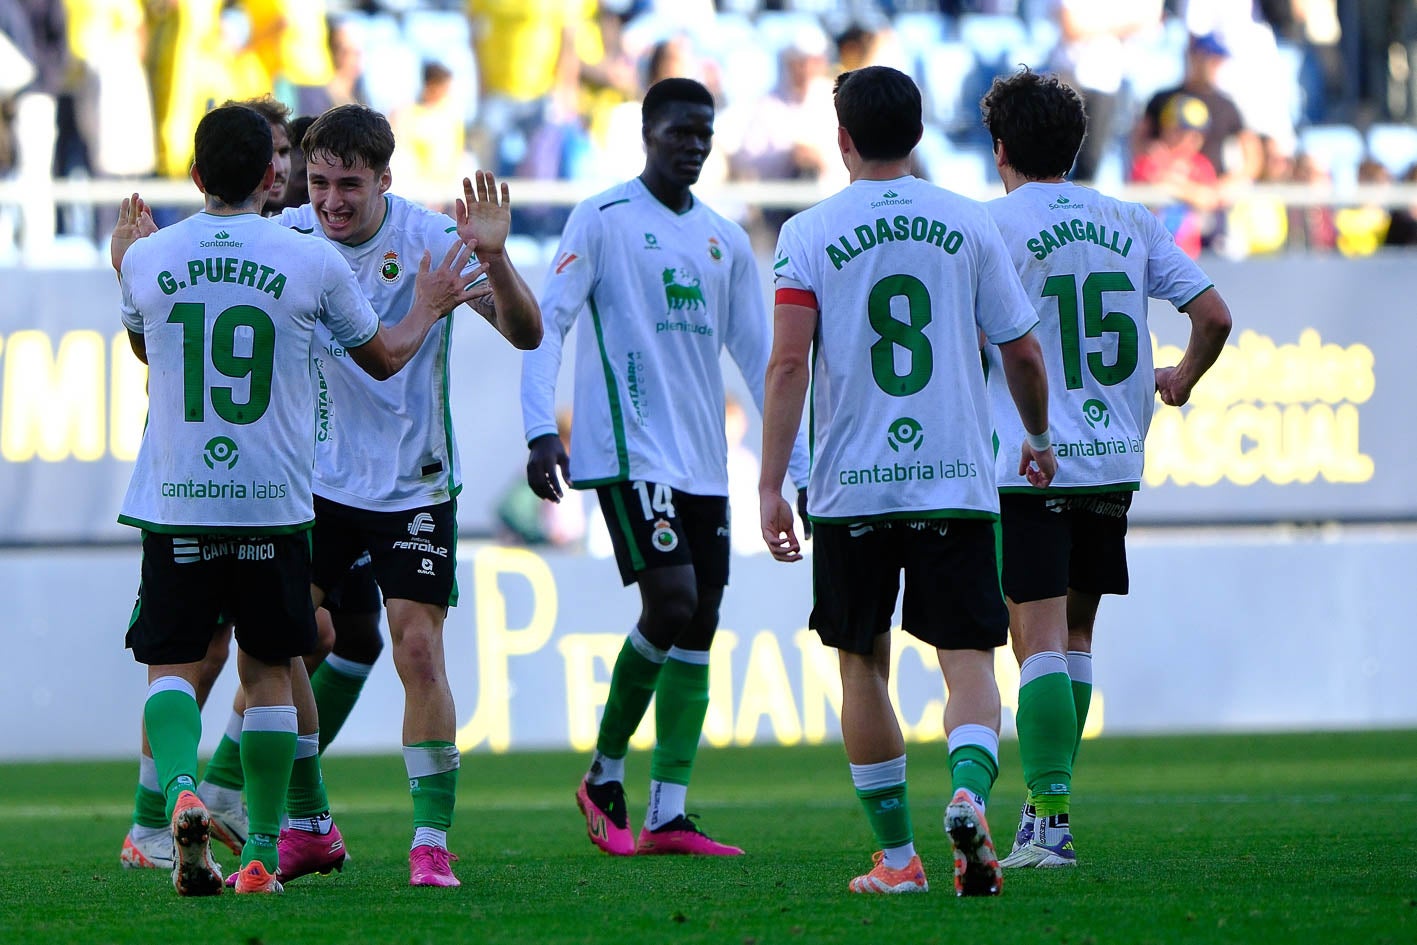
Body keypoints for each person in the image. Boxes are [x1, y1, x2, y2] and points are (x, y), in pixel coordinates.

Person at [116, 103, 483, 895]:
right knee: (272, 664)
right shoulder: (306, 257)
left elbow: (149, 347)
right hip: (277, 497)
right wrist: (426, 306)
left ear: (193, 175)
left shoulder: (149, 259)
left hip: (177, 495)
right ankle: (263, 848)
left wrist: (124, 263)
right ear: (273, 176)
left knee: (176, 666)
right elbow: (384, 356)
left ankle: (176, 797)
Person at [758, 65, 1055, 898]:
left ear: (842, 138)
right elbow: (1022, 351)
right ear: (918, 133)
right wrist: (1034, 435)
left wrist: (771, 483)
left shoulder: (807, 231)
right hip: (954, 479)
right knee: (968, 658)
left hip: (849, 487)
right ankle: (966, 789)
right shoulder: (967, 221)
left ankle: (896, 859)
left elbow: (787, 362)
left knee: (861, 665)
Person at [522, 77, 809, 860]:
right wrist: (539, 427)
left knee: (700, 620)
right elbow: (548, 324)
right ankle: (603, 771)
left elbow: (761, 360)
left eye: (704, 130)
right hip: (627, 449)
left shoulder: (721, 237)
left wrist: (796, 468)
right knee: (673, 598)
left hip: (702, 464)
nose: (693, 142)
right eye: (680, 129)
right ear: (647, 132)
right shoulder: (605, 218)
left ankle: (669, 810)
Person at [278, 103, 542, 887]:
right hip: (316, 483)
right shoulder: (291, 238)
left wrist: (492, 260)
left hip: (413, 483)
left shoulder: (430, 239)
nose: (330, 202)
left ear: (385, 179)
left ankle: (430, 840)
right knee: (284, 642)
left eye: (348, 186)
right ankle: (309, 819)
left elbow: (524, 333)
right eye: (318, 182)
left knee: (418, 648)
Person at [978, 68, 1232, 869]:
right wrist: (1182, 377)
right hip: (1113, 461)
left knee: (1037, 641)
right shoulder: (1132, 219)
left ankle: (1049, 822)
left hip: (1033, 461)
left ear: (999, 149)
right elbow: (1213, 315)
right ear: (1077, 146)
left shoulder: (989, 227)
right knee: (1076, 635)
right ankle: (1043, 812)